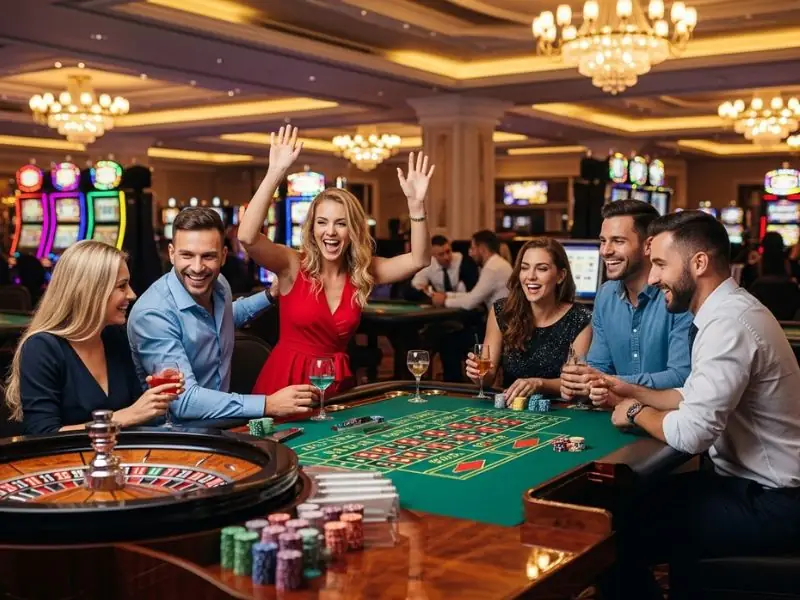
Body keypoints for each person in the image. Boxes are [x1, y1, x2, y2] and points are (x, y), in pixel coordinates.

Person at [589, 210, 800, 600]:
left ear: (698, 263)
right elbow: (692, 397)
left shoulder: (729, 323)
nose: (652, 278)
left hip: (774, 502)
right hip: (747, 486)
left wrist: (635, 412)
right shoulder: (726, 309)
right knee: (625, 505)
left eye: (660, 264)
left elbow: (692, 433)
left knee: (608, 531)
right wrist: (630, 391)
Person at [238, 125, 435, 397]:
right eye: (322, 222)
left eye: (340, 224)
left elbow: (419, 258)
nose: (330, 232)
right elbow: (248, 238)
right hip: (286, 383)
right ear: (312, 228)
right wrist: (275, 173)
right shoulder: (293, 265)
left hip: (335, 387)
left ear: (352, 231)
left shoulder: (362, 271)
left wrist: (416, 206)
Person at [128, 207, 318, 422]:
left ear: (224, 256)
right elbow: (184, 401)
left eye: (208, 256)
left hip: (220, 425)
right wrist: (268, 404)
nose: (197, 268)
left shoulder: (219, 284)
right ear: (172, 254)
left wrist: (270, 295)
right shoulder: (153, 315)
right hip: (176, 437)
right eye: (187, 255)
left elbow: (225, 317)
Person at [5, 241, 182, 434]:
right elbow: (41, 435)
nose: (132, 294)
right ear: (92, 292)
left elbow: (138, 414)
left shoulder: (114, 337)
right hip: (64, 462)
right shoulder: (42, 348)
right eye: (122, 286)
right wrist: (120, 418)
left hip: (120, 457)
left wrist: (155, 397)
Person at [560, 200, 692, 400]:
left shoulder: (677, 294)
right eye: (603, 241)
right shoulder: (605, 295)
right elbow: (599, 366)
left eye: (618, 241)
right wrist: (583, 381)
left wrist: (609, 382)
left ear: (648, 245)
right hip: (616, 412)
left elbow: (681, 376)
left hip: (667, 418)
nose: (605, 251)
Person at [465, 238, 592, 401]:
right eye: (525, 268)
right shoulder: (502, 312)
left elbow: (574, 383)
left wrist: (539, 384)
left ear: (561, 276)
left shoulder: (580, 318)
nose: (530, 276)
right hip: (511, 409)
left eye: (542, 269)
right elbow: (488, 377)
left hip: (560, 409)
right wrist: (477, 374)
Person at [430, 230, 513, 311]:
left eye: (473, 249)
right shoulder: (496, 264)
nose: (471, 253)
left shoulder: (492, 268)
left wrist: (444, 301)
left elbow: (470, 302)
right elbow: (473, 295)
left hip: (502, 322)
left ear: (482, 249)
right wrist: (447, 295)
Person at [408, 235, 479, 297]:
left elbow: (472, 292)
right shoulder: (428, 264)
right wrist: (421, 288)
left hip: (461, 302)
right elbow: (416, 285)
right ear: (433, 255)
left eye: (448, 251)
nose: (446, 257)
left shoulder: (464, 261)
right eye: (441, 254)